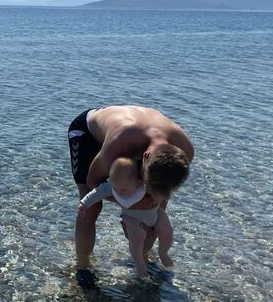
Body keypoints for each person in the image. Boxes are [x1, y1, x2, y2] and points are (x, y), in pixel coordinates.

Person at [68, 106, 194, 287]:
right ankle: (82, 265)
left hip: (137, 132)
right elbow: (92, 182)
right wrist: (129, 203)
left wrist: (149, 204)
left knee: (155, 206)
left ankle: (142, 257)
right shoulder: (120, 143)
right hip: (87, 133)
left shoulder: (186, 150)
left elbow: (163, 192)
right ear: (145, 157)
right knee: (91, 206)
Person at [79, 156, 175, 279]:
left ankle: (163, 253)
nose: (118, 192)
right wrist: (84, 203)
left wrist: (146, 166)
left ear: (137, 181)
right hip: (131, 216)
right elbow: (97, 192)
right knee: (137, 238)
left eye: (123, 189)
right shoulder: (114, 185)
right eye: (115, 188)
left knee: (167, 232)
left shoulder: (144, 184)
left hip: (155, 212)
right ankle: (139, 264)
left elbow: (158, 182)